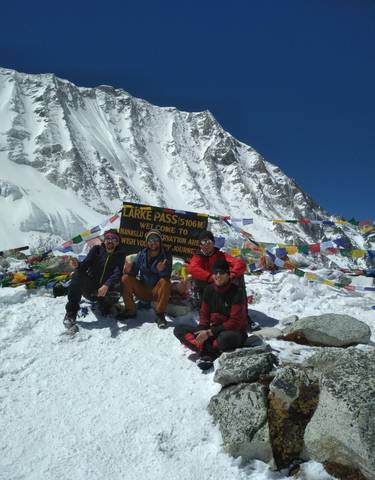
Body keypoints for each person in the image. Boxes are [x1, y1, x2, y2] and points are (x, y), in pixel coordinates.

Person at [174, 258, 248, 371]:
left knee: (225, 338)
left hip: (234, 332)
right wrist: (201, 330)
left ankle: (205, 351)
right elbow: (204, 314)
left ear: (228, 275)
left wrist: (208, 333)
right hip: (213, 332)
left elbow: (235, 322)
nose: (218, 276)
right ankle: (210, 350)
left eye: (222, 273)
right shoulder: (209, 290)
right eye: (215, 273)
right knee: (179, 329)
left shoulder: (237, 292)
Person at [63, 229, 126, 330]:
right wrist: (78, 265)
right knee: (77, 274)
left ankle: (106, 305)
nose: (110, 241)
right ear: (104, 240)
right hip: (92, 290)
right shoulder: (96, 250)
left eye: (114, 239)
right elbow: (85, 265)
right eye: (108, 238)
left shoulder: (120, 255)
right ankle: (71, 312)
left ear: (117, 242)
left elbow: (117, 273)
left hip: (108, 291)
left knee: (120, 283)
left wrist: (106, 285)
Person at [119, 229, 172, 328]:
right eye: (151, 240)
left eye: (156, 239)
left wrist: (161, 271)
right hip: (142, 289)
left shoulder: (166, 255)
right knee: (125, 278)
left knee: (165, 282)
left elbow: (167, 275)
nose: (153, 242)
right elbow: (133, 272)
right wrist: (129, 270)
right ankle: (130, 310)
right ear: (147, 242)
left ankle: (159, 315)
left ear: (160, 242)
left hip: (157, 292)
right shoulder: (142, 254)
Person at [187, 230, 247, 301]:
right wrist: (210, 277)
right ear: (200, 245)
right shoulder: (198, 257)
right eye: (203, 242)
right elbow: (192, 268)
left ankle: (239, 302)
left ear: (213, 243)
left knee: (239, 276)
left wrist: (232, 274)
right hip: (206, 285)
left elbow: (240, 263)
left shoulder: (220, 255)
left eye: (208, 242)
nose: (206, 245)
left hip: (221, 283)